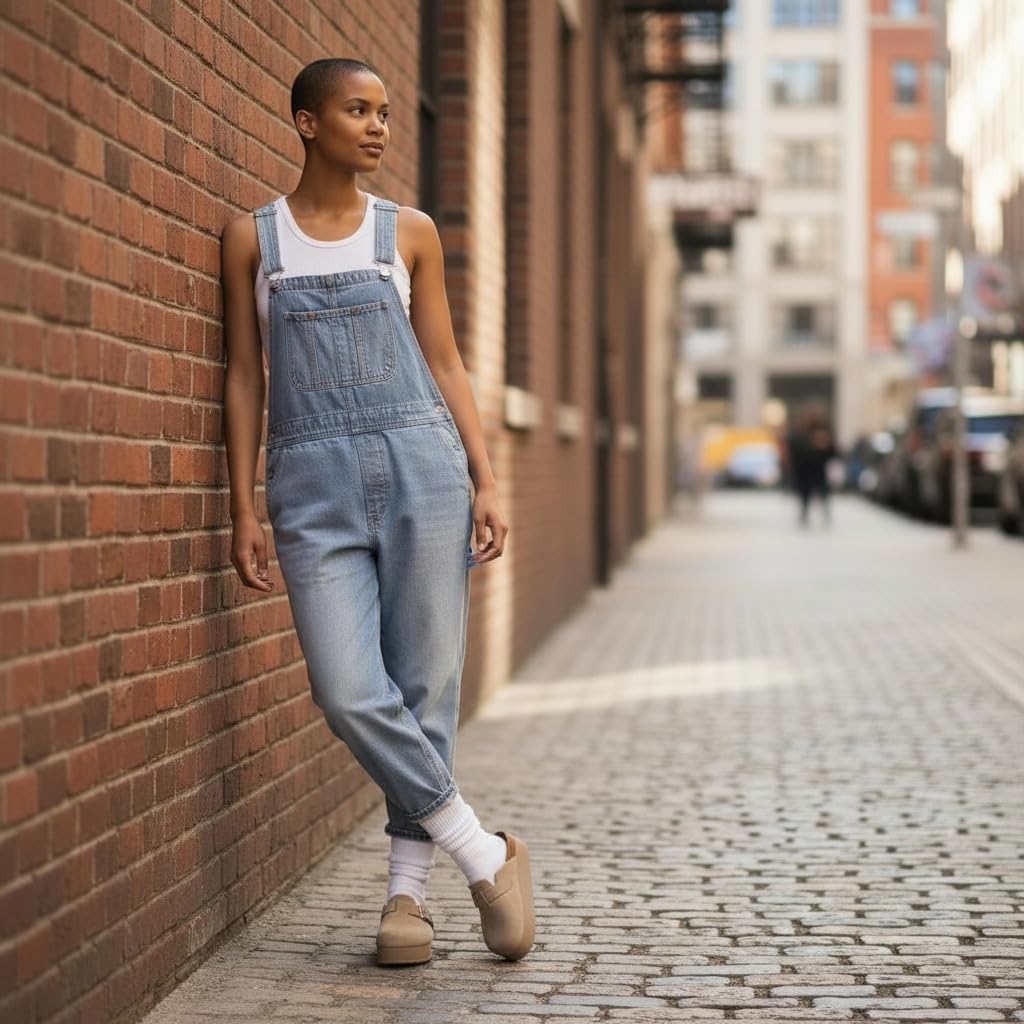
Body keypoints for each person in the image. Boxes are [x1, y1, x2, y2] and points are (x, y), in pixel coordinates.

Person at [220, 57, 534, 967]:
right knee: (348, 690)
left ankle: (407, 901)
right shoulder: (253, 240)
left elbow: (445, 361)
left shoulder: (411, 233)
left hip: (422, 467)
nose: (380, 127)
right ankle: (482, 851)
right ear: (307, 122)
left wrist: (485, 477)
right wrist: (242, 504)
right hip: (307, 487)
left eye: (387, 113)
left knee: (425, 685)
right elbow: (243, 377)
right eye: (358, 110)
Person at [783, 403, 837, 528]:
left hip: (818, 467)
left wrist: (825, 445)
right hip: (804, 468)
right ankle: (804, 513)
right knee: (805, 493)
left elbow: (832, 451)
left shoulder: (824, 430)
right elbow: (794, 448)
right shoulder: (800, 432)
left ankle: (825, 513)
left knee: (823, 491)